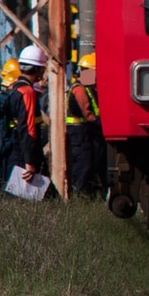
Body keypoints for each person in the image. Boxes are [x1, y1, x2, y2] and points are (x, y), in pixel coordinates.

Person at [5, 44, 48, 186]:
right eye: (42, 68)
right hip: (25, 152)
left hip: (15, 147)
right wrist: (30, 161)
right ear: (37, 69)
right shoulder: (28, 92)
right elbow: (28, 128)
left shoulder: (14, 87)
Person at [66, 53, 103, 196]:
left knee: (90, 165)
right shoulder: (80, 89)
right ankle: (79, 196)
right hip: (80, 134)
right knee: (83, 166)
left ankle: (88, 194)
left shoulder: (87, 88)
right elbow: (89, 115)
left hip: (84, 134)